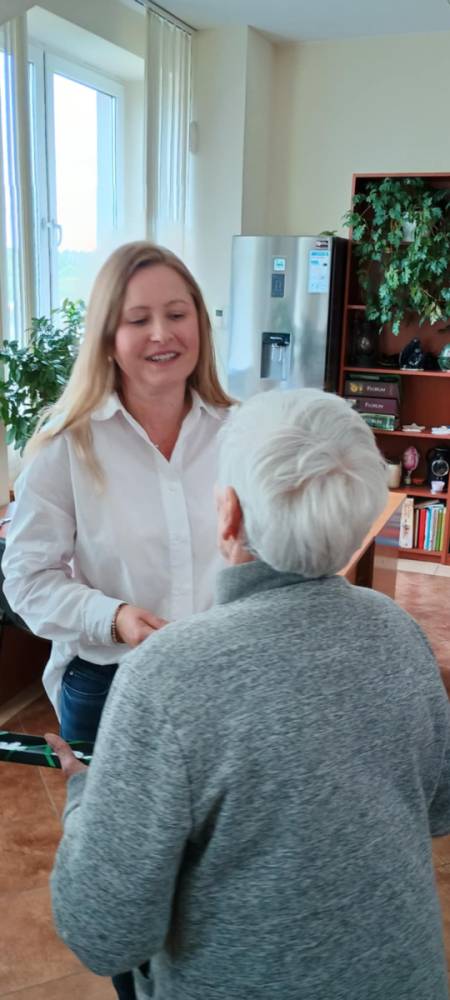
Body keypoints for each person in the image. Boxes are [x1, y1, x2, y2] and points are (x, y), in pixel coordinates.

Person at [48, 388, 450, 1000]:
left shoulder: (165, 676)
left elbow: (104, 933)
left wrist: (86, 797)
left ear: (229, 516)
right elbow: (439, 806)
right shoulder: (399, 632)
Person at [3, 240, 232, 1000]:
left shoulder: (241, 433)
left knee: (212, 877)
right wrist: (117, 616)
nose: (162, 334)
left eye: (177, 313)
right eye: (138, 319)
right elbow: (26, 580)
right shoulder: (66, 444)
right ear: (108, 336)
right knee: (127, 892)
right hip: (111, 692)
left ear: (200, 324)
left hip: (222, 688)